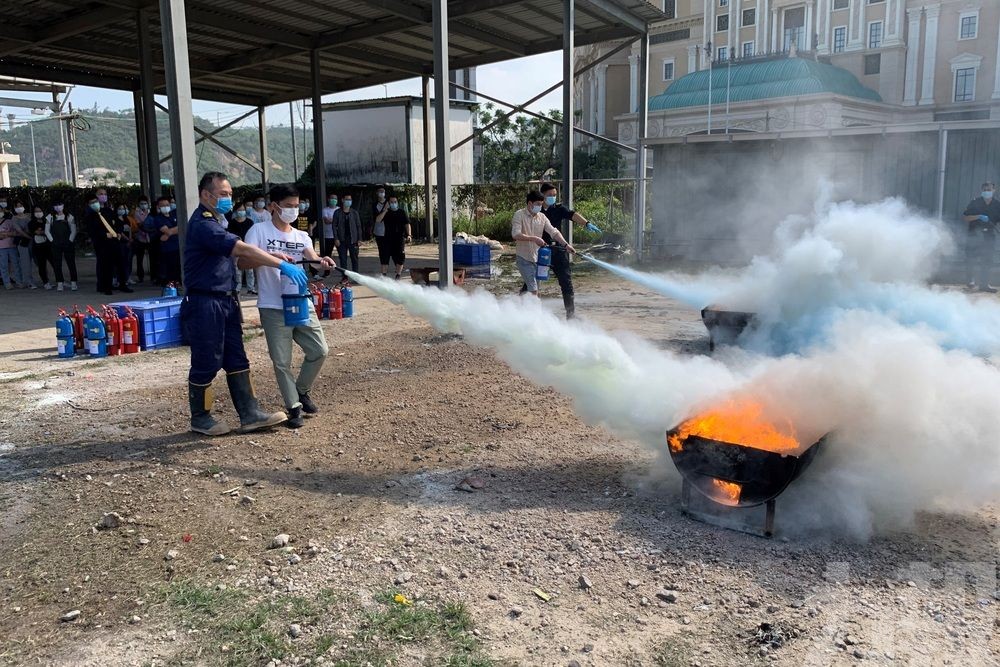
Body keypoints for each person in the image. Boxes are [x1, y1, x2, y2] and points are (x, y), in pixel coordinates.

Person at [182, 171, 307, 436]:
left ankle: (250, 413)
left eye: (230, 194)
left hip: (226, 300)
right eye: (223, 194)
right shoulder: (203, 224)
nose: (229, 199)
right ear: (206, 195)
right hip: (205, 301)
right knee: (207, 358)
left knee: (236, 356)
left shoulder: (218, 221)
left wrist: (271, 255)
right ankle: (200, 417)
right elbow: (240, 249)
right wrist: (280, 263)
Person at [245, 184, 334, 429]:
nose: (294, 211)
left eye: (297, 206)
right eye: (289, 206)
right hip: (273, 306)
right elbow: (244, 260)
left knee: (319, 350)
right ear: (274, 206)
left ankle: (301, 390)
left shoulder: (300, 236)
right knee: (281, 360)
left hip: (300, 301)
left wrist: (322, 262)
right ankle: (293, 407)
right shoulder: (258, 231)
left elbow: (313, 261)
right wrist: (276, 261)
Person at [537, 182, 592, 318]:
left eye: (555, 195)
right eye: (550, 195)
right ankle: (520, 309)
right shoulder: (536, 211)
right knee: (532, 282)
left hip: (558, 251)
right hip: (541, 253)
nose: (553, 197)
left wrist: (586, 223)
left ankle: (571, 315)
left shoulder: (559, 209)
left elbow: (572, 215)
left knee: (566, 282)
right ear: (542, 195)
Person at [511, 190, 574, 297]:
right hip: (523, 258)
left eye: (541, 204)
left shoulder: (542, 217)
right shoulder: (519, 215)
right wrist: (534, 239)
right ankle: (537, 313)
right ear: (530, 203)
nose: (540, 207)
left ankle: (517, 308)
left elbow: (554, 232)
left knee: (534, 289)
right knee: (533, 290)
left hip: (538, 258)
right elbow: (515, 234)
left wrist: (566, 245)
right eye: (538, 204)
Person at [84, 188, 127, 296]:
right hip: (102, 244)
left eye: (105, 194)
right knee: (106, 265)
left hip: (114, 241)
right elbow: (92, 230)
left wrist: (119, 232)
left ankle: (123, 284)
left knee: (120, 263)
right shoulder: (91, 214)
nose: (103, 196)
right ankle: (105, 286)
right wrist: (103, 235)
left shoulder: (109, 211)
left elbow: (117, 223)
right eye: (100, 194)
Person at [962, 181, 1000, 293]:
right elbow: (965, 217)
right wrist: (978, 216)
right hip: (974, 234)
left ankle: (984, 284)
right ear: (981, 191)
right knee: (971, 259)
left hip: (989, 235)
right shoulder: (975, 202)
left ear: (994, 190)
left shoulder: (997, 205)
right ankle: (970, 282)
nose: (987, 192)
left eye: (989, 190)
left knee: (987, 260)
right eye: (984, 190)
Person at [374, 194, 411, 279]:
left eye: (395, 202)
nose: (393, 203)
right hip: (387, 239)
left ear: (397, 202)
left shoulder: (402, 212)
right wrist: (385, 210)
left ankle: (398, 275)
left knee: (400, 258)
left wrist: (409, 235)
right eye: (391, 202)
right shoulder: (386, 212)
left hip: (399, 239)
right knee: (384, 258)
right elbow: (378, 220)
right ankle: (384, 276)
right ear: (388, 203)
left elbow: (407, 224)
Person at [46, 198, 78, 291]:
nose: (58, 207)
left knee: (71, 263)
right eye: (56, 205)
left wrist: (70, 240)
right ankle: (60, 283)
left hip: (68, 243)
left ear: (63, 205)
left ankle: (73, 282)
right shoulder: (50, 217)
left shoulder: (69, 216)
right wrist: (52, 240)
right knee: (57, 264)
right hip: (55, 244)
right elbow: (47, 230)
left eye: (59, 204)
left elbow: (73, 230)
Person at [150, 196, 181, 285]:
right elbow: (167, 231)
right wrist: (175, 230)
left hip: (179, 246)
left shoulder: (175, 214)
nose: (166, 207)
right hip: (168, 249)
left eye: (167, 205)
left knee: (179, 270)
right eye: (163, 205)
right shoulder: (158, 219)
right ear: (158, 207)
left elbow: (183, 226)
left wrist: (171, 231)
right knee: (170, 271)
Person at [332, 193, 362, 274]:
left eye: (350, 200)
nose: (348, 201)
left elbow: (358, 226)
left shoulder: (354, 213)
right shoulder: (337, 212)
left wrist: (359, 239)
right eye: (347, 199)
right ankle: (344, 277)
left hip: (353, 240)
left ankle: (356, 276)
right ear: (342, 200)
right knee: (343, 259)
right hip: (341, 240)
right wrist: (336, 238)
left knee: (354, 259)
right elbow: (334, 226)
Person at [10, 200, 37, 289]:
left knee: (37, 261)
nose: (19, 208)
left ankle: (45, 280)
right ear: (14, 208)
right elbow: (19, 231)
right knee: (25, 263)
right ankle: (29, 282)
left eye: (20, 205)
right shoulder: (14, 218)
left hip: (34, 242)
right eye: (17, 206)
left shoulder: (29, 215)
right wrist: (29, 237)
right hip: (23, 242)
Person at [28, 206, 54, 289]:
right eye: (36, 211)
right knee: (42, 265)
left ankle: (60, 280)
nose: (38, 213)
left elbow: (50, 231)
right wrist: (45, 231)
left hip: (48, 246)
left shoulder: (46, 220)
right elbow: (37, 232)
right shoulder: (31, 223)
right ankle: (45, 282)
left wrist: (44, 231)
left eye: (40, 211)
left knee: (55, 263)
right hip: (38, 247)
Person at [112, 202, 134, 292]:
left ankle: (125, 279)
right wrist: (127, 239)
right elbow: (119, 232)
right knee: (120, 263)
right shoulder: (115, 220)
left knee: (127, 262)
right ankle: (120, 281)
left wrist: (130, 239)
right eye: (120, 208)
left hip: (127, 243)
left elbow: (130, 229)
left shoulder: (126, 219)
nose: (122, 210)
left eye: (123, 209)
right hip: (120, 243)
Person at [130, 196, 152, 284]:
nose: (144, 205)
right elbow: (139, 224)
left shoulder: (149, 212)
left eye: (145, 203)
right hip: (140, 238)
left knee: (152, 258)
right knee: (140, 259)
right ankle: (140, 276)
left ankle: (153, 275)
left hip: (149, 238)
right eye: (142, 203)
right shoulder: (136, 213)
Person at [318, 194, 339, 277]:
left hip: (338, 236)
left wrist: (333, 220)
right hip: (328, 236)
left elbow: (340, 222)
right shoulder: (325, 210)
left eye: (335, 198)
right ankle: (326, 272)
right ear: (328, 199)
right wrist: (336, 221)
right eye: (332, 198)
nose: (333, 200)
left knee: (342, 255)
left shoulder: (339, 210)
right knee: (327, 255)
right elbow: (326, 221)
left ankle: (343, 273)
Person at [0, 212, 20, 290]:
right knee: (3, 266)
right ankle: (7, 283)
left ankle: (19, 281)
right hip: (1, 248)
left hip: (12, 246)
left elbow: (17, 232)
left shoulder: (9, 221)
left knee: (16, 264)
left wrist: (6, 234)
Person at [372, 186, 389, 275]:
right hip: (379, 232)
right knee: (382, 252)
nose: (382, 193)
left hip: (390, 232)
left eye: (383, 191)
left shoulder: (389, 202)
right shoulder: (375, 205)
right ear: (377, 193)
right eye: (380, 191)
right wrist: (385, 210)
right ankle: (384, 272)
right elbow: (378, 219)